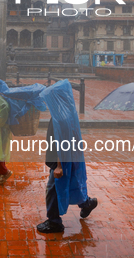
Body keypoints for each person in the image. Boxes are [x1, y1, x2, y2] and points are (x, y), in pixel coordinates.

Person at [36, 80, 98, 233]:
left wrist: (58, 166)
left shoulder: (61, 117)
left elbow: (63, 143)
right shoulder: (65, 112)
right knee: (73, 182)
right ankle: (87, 203)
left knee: (53, 189)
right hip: (70, 158)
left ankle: (54, 222)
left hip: (62, 160)